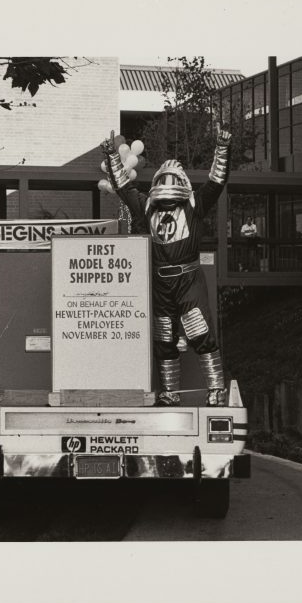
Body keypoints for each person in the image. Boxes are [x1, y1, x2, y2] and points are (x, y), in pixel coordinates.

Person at [100, 126, 232, 406]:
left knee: (201, 332)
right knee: (163, 336)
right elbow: (124, 187)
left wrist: (222, 148)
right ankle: (169, 393)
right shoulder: (148, 207)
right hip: (160, 282)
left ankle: (216, 390)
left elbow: (216, 181)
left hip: (188, 279)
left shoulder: (194, 205)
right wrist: (112, 155)